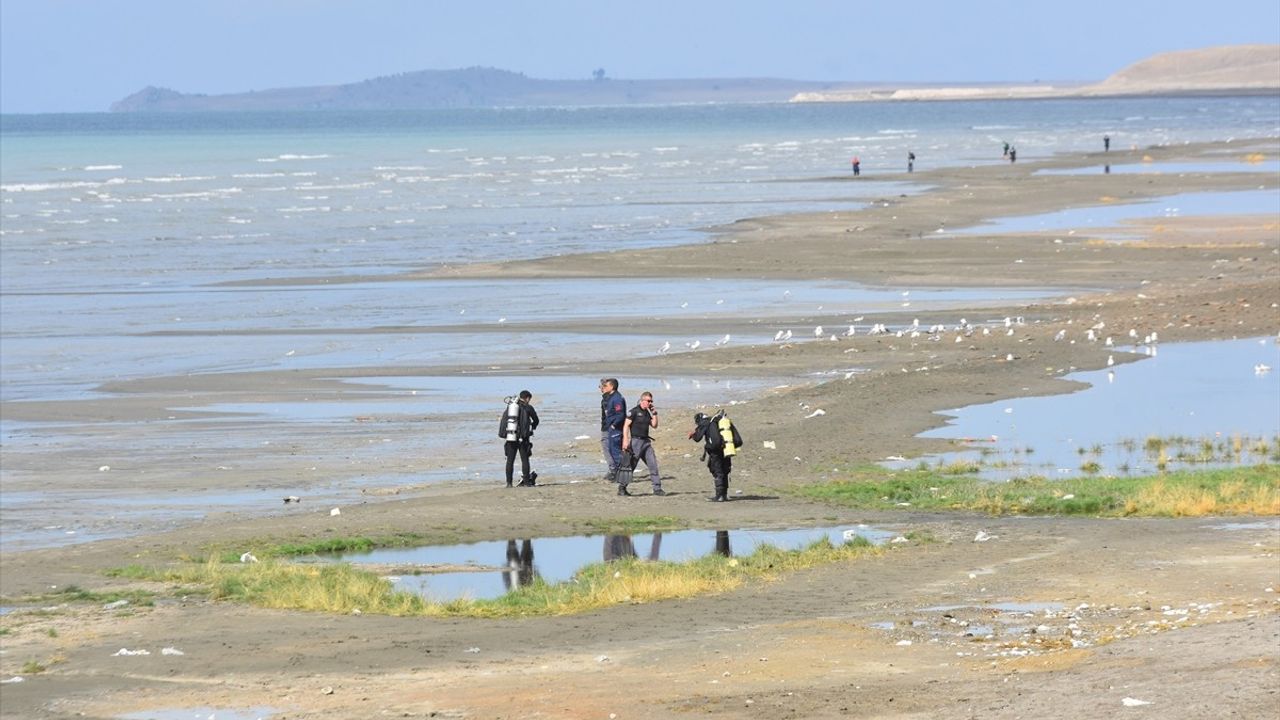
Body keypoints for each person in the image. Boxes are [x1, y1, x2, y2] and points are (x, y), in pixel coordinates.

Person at [689, 410, 743, 502]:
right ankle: (724, 495)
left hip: (715, 451)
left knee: (717, 471)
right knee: (725, 470)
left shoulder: (705, 423)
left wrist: (692, 435)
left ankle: (719, 496)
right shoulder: (717, 421)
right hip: (726, 448)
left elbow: (698, 438)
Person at [621, 391, 664, 496]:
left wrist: (654, 413)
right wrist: (625, 440)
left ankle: (657, 488)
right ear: (642, 400)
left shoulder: (647, 413)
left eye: (651, 401)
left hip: (646, 442)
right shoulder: (634, 411)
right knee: (632, 465)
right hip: (636, 442)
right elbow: (626, 426)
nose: (650, 403)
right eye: (648, 401)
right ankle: (622, 487)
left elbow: (654, 425)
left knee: (653, 464)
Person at [499, 390, 539, 487]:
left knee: (510, 461)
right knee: (525, 460)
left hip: (511, 437)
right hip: (523, 439)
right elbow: (536, 420)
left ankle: (509, 483)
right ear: (527, 398)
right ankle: (526, 482)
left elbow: (504, 421)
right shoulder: (528, 408)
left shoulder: (510, 407)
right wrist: (532, 427)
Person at [599, 378, 626, 482]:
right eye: (602, 386)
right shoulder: (608, 398)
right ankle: (616, 471)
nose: (602, 388)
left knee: (613, 451)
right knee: (610, 449)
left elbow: (620, 414)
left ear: (611, 387)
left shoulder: (616, 398)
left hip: (612, 428)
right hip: (608, 427)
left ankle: (616, 471)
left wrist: (613, 426)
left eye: (604, 386)